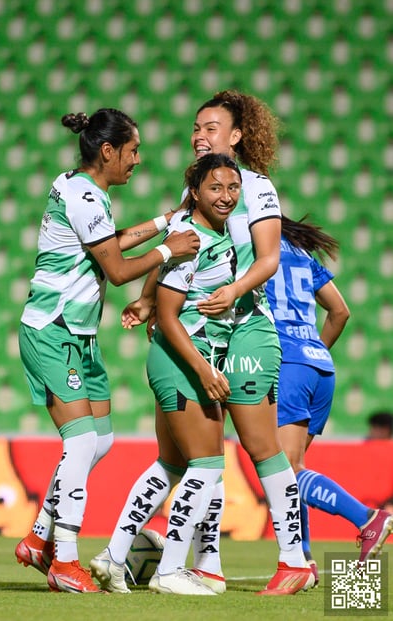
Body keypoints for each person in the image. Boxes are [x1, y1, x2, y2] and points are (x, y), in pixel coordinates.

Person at [98, 90, 314, 596]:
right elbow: (177, 243)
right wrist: (150, 299)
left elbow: (267, 260)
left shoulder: (255, 188)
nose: (199, 134)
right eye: (196, 127)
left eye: (211, 127)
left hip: (245, 326)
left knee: (259, 449)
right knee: (201, 453)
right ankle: (205, 561)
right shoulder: (197, 191)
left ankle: (292, 560)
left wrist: (232, 293)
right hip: (203, 332)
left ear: (236, 135)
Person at [14, 108, 200, 594]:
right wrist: (168, 249)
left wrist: (163, 222)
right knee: (79, 442)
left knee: (100, 440)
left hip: (79, 335)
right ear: (108, 151)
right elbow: (117, 270)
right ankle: (64, 561)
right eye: (133, 150)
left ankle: (38, 536)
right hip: (53, 330)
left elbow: (108, 244)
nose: (137, 160)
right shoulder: (83, 196)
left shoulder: (81, 188)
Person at [91, 153, 242, 596]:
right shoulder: (193, 236)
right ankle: (170, 569)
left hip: (177, 360)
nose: (226, 196)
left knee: (171, 464)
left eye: (232, 188)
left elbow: (163, 290)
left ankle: (114, 557)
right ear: (194, 192)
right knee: (208, 463)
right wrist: (204, 369)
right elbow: (172, 316)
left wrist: (145, 299)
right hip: (182, 361)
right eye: (215, 188)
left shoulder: (205, 234)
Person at [266, 215, 393, 583]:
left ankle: (368, 518)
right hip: (319, 366)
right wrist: (312, 353)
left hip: (287, 361)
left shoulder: (256, 250)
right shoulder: (302, 254)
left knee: (286, 472)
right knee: (292, 468)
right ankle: (303, 559)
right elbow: (340, 312)